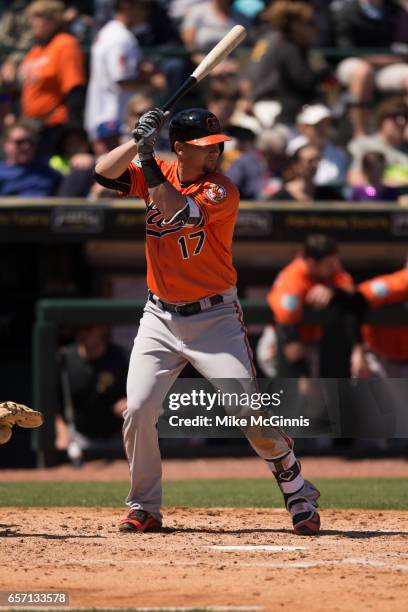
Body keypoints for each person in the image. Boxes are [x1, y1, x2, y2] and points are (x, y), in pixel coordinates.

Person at [94, 106, 321, 535]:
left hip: (214, 316)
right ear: (178, 147)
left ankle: (295, 485)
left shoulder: (221, 189)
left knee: (246, 410)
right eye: (204, 147)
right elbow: (104, 174)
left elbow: (176, 210)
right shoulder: (156, 167)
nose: (214, 153)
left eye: (216, 146)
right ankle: (144, 505)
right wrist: (136, 139)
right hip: (159, 315)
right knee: (139, 410)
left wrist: (145, 157)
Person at [267, 234, 369, 379]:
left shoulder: (331, 272)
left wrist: (332, 289)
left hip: (309, 341)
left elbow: (352, 291)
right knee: (290, 395)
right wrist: (304, 378)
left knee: (311, 397)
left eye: (335, 262)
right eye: (329, 264)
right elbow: (287, 332)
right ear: (311, 263)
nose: (335, 267)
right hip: (280, 342)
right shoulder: (292, 282)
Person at [240, 1, 329, 127]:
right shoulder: (288, 44)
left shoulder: (269, 37)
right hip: (275, 110)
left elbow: (246, 80)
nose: (315, 28)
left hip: (261, 106)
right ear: (295, 25)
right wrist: (323, 73)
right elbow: (303, 81)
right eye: (310, 23)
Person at [331, 0, 408, 138]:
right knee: (363, 72)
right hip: (354, 61)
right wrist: (377, 58)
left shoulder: (396, 10)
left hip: (388, 63)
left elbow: (402, 46)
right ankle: (359, 132)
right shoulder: (346, 9)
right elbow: (346, 48)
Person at [19, 0, 86, 156]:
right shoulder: (37, 48)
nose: (32, 22)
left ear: (54, 20)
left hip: (54, 127)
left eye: (38, 17)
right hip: (31, 126)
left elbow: (75, 88)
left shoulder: (65, 44)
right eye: (32, 17)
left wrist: (73, 130)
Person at [56, 325, 128, 464]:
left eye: (88, 328)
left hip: (119, 438)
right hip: (78, 438)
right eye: (78, 329)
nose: (82, 334)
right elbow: (51, 404)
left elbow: (144, 394)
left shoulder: (123, 357)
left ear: (102, 329)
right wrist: (61, 431)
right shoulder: (64, 358)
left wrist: (131, 402)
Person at [85, 0, 150, 142]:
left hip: (104, 116)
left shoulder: (108, 32)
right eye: (143, 6)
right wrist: (151, 81)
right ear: (126, 5)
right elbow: (122, 80)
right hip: (113, 121)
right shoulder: (120, 37)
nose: (146, 12)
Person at [347, 98, 408, 187]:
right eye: (396, 116)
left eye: (406, 117)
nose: (402, 122)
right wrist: (392, 189)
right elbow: (355, 180)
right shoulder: (361, 145)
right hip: (375, 199)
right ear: (382, 119)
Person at [0, 121, 61, 196]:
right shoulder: (1, 172)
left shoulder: (47, 171)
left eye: (30, 142)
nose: (26, 146)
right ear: (6, 145)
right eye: (20, 142)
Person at [294, 104, 350, 187]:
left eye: (326, 124)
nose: (322, 129)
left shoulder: (340, 155)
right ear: (303, 127)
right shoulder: (292, 149)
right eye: (317, 125)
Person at [271, 140, 343, 202]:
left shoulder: (328, 196)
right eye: (310, 161)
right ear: (296, 165)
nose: (315, 165)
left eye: (317, 160)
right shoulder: (279, 199)